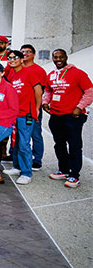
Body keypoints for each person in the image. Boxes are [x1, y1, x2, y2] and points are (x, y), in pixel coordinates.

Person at [42, 49, 93, 188]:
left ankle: (74, 176)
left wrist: (79, 106)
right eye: (55, 57)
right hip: (56, 115)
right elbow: (48, 90)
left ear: (66, 57)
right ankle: (64, 170)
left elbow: (89, 92)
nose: (58, 59)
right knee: (59, 144)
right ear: (53, 58)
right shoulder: (51, 75)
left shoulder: (78, 73)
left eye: (61, 57)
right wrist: (45, 102)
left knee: (75, 146)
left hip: (73, 116)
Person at [4, 50, 42, 185]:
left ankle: (26, 173)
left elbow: (38, 90)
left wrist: (37, 108)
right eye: (10, 58)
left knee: (24, 144)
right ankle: (17, 166)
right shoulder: (12, 74)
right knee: (15, 142)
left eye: (15, 58)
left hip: (26, 114)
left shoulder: (30, 72)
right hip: (14, 114)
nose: (12, 60)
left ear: (21, 59)